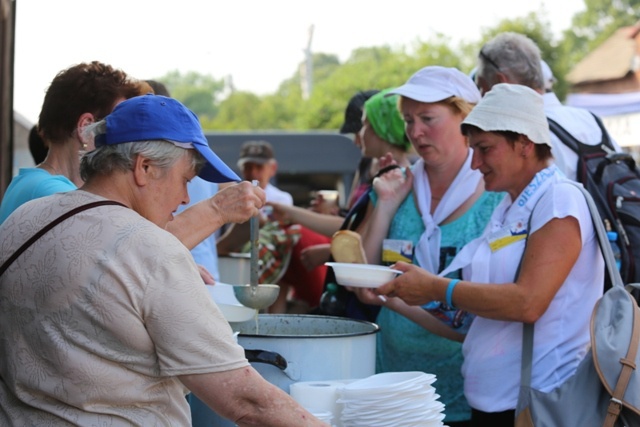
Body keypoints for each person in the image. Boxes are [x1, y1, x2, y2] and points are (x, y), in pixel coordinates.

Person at [0, 94, 326, 426]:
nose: (186, 197)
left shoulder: (23, 218)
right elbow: (245, 400)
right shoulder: (153, 250)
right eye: (186, 179)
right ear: (144, 167)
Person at [375, 84, 604, 426]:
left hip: (538, 404)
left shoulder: (559, 199)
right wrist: (397, 294)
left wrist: (437, 289)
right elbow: (476, 319)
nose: (475, 162)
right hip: (497, 403)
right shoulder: (510, 207)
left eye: (484, 149)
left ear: (525, 144)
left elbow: (528, 302)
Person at [350, 66, 503, 426]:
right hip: (394, 383)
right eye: (408, 120)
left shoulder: (494, 195)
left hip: (467, 388)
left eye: (428, 118)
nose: (416, 132)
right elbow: (363, 275)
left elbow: (489, 307)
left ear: (465, 117)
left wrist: (395, 297)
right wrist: (385, 204)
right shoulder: (400, 185)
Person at [0, 62, 260, 258]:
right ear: (86, 128)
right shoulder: (54, 194)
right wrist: (218, 209)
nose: (130, 134)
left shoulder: (33, 184)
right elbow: (135, 254)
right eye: (118, 119)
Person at [475, 31, 622, 181]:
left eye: (481, 87)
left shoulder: (526, 135)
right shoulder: (589, 118)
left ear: (501, 83)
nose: (480, 97)